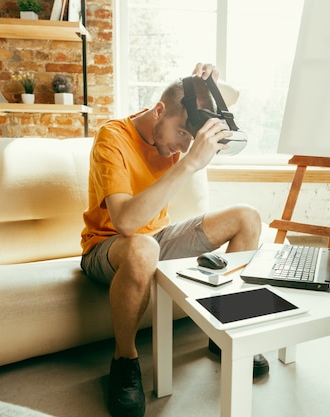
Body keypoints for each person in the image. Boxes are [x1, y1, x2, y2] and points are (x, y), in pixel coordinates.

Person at [80, 63, 267, 417]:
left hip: (158, 239)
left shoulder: (174, 133)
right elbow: (126, 223)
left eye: (189, 139)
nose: (183, 146)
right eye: (182, 133)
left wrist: (208, 82)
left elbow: (234, 97)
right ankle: (124, 361)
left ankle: (222, 332)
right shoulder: (112, 138)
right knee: (142, 246)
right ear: (159, 111)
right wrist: (190, 164)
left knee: (248, 216)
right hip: (108, 247)